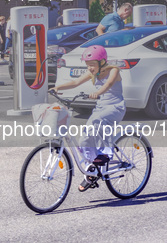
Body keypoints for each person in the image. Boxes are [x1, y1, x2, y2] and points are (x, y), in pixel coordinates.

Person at [51, 45, 126, 192]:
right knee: (85, 135)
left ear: (102, 61)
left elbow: (109, 84)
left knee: (96, 123)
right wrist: (57, 88)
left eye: (92, 65)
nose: (90, 68)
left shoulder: (113, 70)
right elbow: (75, 83)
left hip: (115, 107)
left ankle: (105, 153)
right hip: (101, 107)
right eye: (88, 65)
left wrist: (98, 92)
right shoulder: (93, 73)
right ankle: (93, 168)